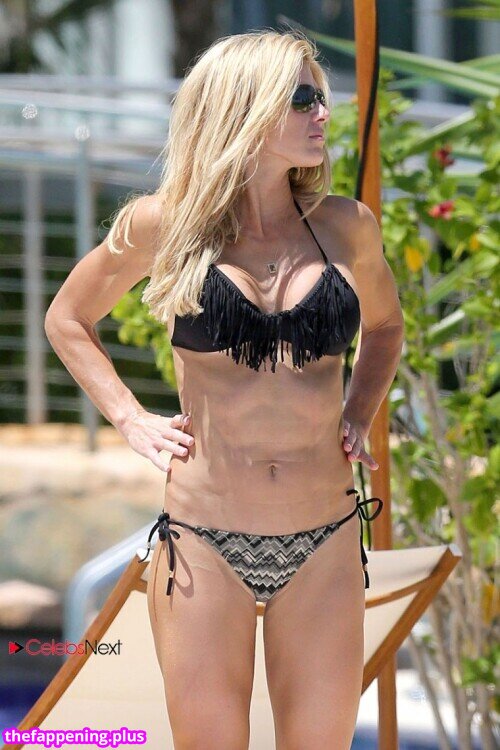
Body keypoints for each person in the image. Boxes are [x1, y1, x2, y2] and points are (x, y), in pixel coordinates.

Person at [45, 29, 404, 750]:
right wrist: (130, 418)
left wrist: (359, 410)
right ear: (246, 106)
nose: (323, 113)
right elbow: (68, 319)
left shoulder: (346, 227)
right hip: (205, 539)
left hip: (325, 535)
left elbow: (387, 327)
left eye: (323, 98)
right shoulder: (165, 225)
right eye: (302, 98)